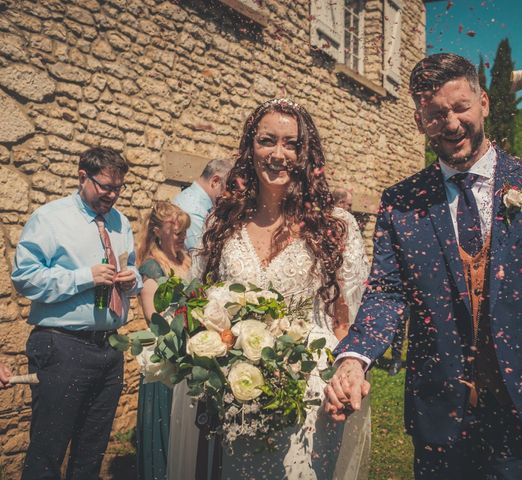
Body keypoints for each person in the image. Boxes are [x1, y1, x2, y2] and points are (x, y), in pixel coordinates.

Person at [325, 53, 522, 479]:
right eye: (436, 115)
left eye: (460, 108)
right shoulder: (401, 201)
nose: (452, 124)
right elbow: (387, 290)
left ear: (485, 103)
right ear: (420, 122)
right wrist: (355, 358)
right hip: (440, 417)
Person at [167, 98, 370, 480]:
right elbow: (199, 304)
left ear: (306, 152)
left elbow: (345, 321)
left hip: (310, 392)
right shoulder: (222, 222)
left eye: (291, 143)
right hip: (236, 395)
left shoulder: (334, 225)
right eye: (267, 141)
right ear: (250, 148)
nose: (279, 154)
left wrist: (347, 373)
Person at [11, 147, 143, 480]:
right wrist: (83, 277)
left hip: (110, 348)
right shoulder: (49, 219)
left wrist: (133, 280)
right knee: (48, 452)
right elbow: (25, 278)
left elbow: (135, 269)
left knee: (91, 452)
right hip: (62, 346)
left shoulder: (120, 222)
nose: (112, 195)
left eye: (118, 188)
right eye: (105, 187)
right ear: (82, 176)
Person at [135, 201, 192, 480]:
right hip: (168, 359)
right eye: (177, 231)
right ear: (157, 231)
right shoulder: (152, 267)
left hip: (190, 355)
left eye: (184, 231)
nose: (182, 236)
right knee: (168, 430)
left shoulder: (188, 259)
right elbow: (153, 318)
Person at [173, 159, 229, 253]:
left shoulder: (194, 202)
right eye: (230, 187)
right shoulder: (193, 212)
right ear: (215, 182)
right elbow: (199, 257)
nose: (231, 194)